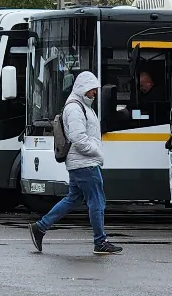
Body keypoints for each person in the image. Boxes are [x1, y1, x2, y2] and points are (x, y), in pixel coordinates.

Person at [29, 71, 122, 255]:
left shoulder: (81, 106)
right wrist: (96, 151)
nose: (95, 93)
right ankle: (100, 241)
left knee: (73, 198)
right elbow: (78, 139)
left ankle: (40, 227)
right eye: (92, 90)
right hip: (84, 163)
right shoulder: (75, 108)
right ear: (83, 89)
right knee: (97, 201)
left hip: (80, 162)